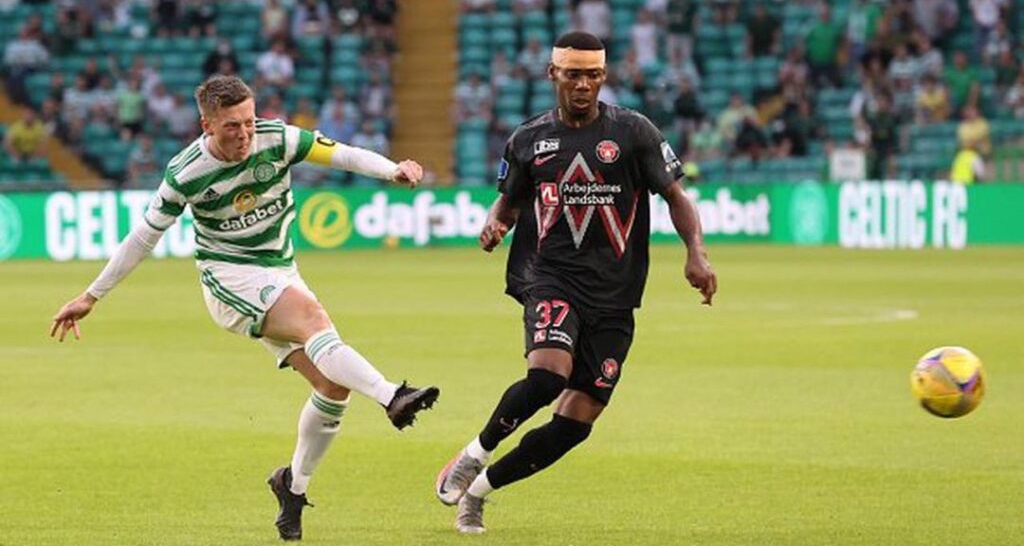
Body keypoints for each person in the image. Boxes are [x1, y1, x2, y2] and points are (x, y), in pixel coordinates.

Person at [49, 75, 440, 542]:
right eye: (232, 126)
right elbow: (143, 237)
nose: (245, 134)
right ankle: (393, 396)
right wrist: (92, 295)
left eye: (249, 121)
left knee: (333, 386)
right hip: (230, 277)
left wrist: (392, 170)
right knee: (315, 322)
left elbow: (342, 155)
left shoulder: (278, 138)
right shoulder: (186, 172)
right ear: (207, 125)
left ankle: (293, 486)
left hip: (281, 270)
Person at [434, 32, 717, 534]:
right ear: (553, 75)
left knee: (575, 424)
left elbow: (676, 196)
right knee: (547, 376)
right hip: (552, 277)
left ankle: (479, 492)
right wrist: (496, 223)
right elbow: (510, 201)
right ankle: (474, 454)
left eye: (592, 75)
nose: (583, 84)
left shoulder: (634, 132)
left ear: (603, 76)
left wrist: (696, 251)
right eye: (573, 75)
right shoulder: (528, 139)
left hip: (615, 294)